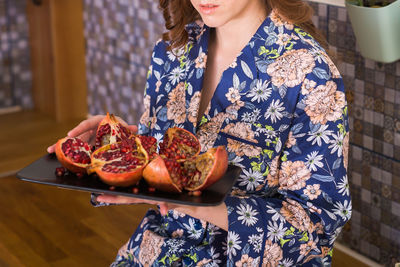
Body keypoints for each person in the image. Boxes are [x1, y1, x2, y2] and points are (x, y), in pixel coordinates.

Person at [48, 0, 351, 265]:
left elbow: (316, 228)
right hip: (158, 250)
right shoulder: (171, 51)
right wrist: (121, 144)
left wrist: (189, 203)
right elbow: (157, 159)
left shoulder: (311, 74)